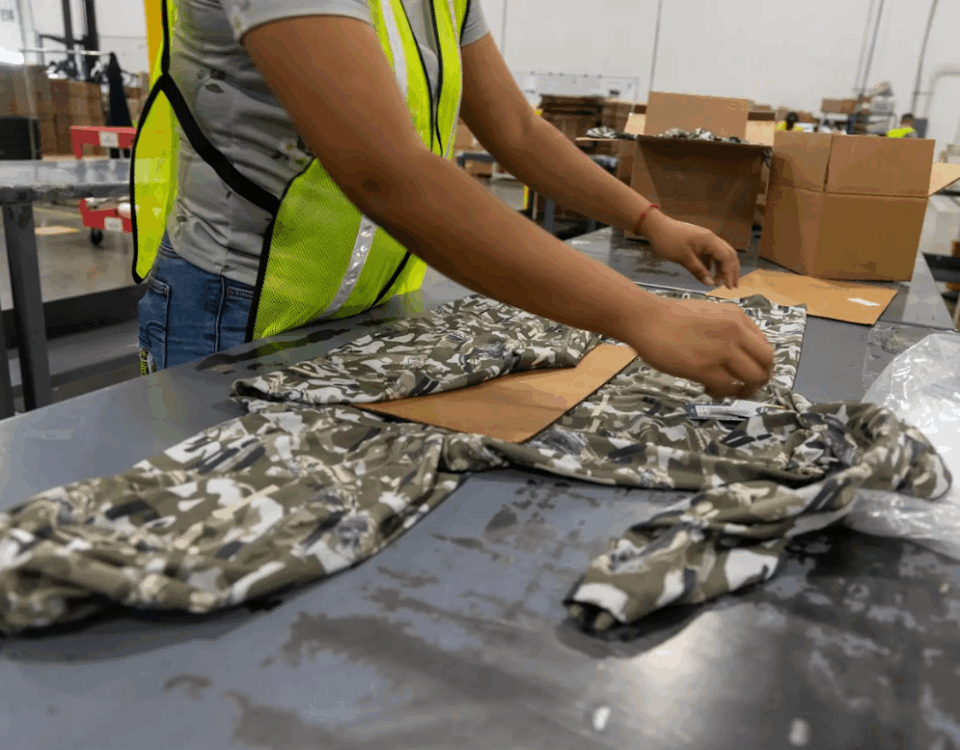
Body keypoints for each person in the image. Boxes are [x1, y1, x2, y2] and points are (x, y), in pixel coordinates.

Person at [133, 0, 774, 401]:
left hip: (374, 307)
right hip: (236, 308)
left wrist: (648, 220)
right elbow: (386, 173)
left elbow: (517, 131)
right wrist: (643, 316)